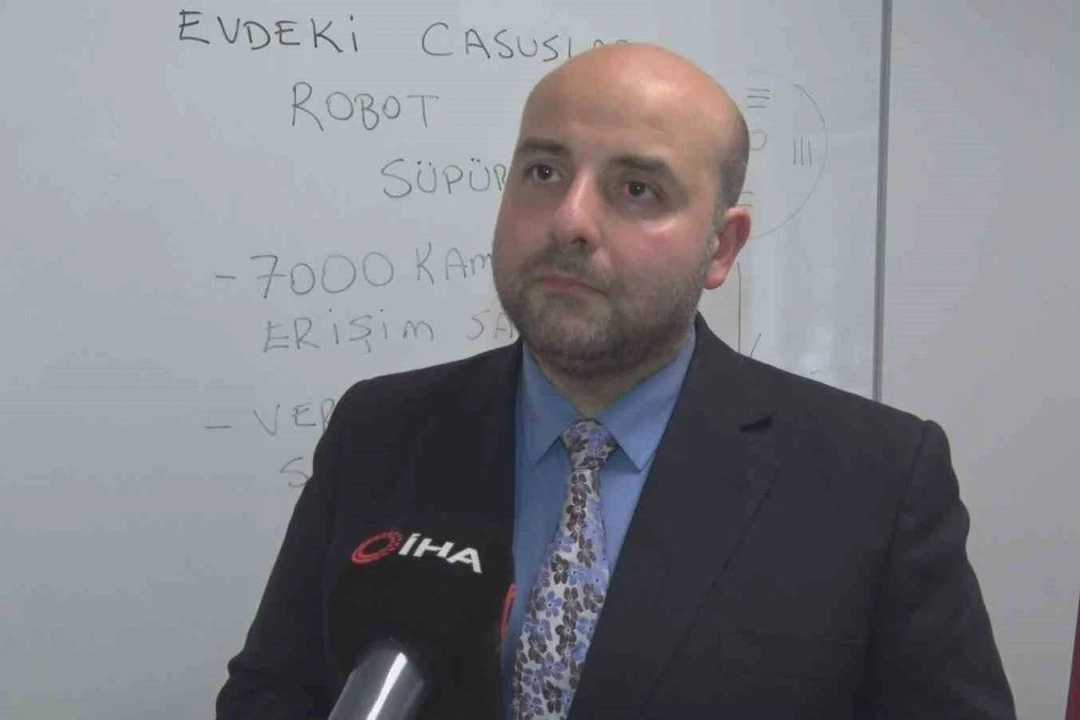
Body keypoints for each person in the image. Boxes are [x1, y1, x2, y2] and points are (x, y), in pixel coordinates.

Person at [216, 42, 1017, 718]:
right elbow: (271, 696)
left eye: (637, 189)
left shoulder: (876, 479)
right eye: (543, 171)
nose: (570, 220)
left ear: (721, 248)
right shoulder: (381, 429)